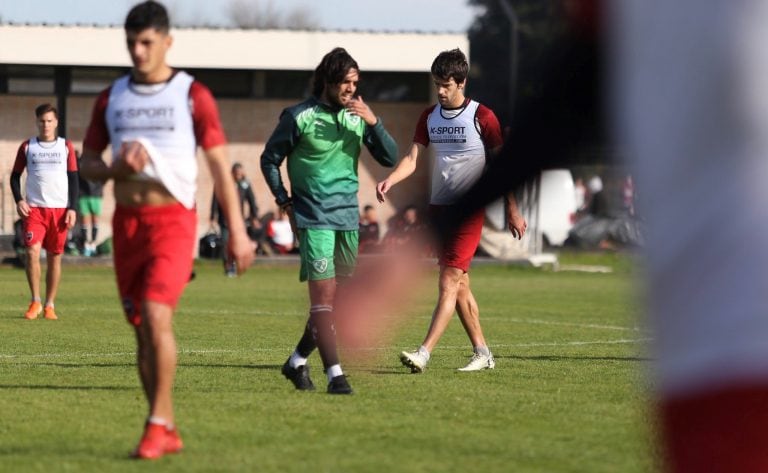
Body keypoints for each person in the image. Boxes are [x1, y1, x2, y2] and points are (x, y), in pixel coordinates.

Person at [79, 0, 254, 460]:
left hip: (174, 222)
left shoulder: (192, 94)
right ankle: (167, 423)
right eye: (131, 43)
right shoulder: (111, 97)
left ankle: (155, 425)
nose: (138, 52)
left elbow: (219, 166)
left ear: (167, 42)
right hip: (127, 225)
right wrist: (115, 169)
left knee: (157, 316)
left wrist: (238, 231)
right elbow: (88, 162)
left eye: (147, 43)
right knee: (141, 332)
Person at [376, 48, 527, 373]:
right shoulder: (429, 116)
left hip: (469, 212)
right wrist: (391, 180)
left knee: (448, 280)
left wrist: (512, 209)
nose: (440, 91)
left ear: (461, 82)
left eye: (446, 85)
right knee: (460, 285)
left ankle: (424, 353)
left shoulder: (482, 117)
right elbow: (413, 158)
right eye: (436, 84)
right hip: (439, 211)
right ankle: (483, 353)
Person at [261, 47, 398, 395]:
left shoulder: (357, 116)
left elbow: (390, 156)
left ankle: (296, 362)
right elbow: (269, 159)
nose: (352, 89)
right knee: (323, 300)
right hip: (314, 218)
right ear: (327, 81)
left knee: (338, 303)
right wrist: (286, 204)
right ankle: (335, 374)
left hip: (347, 220)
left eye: (355, 82)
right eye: (345, 83)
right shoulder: (299, 116)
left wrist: (373, 121)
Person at [10, 103, 78, 321]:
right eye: (42, 121)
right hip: (35, 210)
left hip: (59, 210)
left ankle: (50, 304)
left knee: (54, 258)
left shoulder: (65, 147)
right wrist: (19, 200)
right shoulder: (28, 147)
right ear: (36, 122)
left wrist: (73, 208)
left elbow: (74, 179)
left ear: (56, 122)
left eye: (49, 121)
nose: (46, 125)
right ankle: (35, 301)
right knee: (31, 252)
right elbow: (14, 176)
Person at [210, 162, 261, 274]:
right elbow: (215, 200)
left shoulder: (245, 185)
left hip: (239, 221)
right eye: (237, 174)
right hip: (224, 220)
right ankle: (228, 266)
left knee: (237, 244)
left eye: (240, 174)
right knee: (225, 242)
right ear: (232, 173)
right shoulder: (223, 183)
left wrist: (255, 217)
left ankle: (236, 265)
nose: (239, 176)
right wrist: (213, 216)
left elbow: (252, 201)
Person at [77, 149, 105, 256]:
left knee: (95, 220)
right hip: (84, 195)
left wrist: (99, 188)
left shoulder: (100, 161)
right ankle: (85, 244)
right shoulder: (80, 161)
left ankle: (93, 243)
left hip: (96, 195)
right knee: (85, 220)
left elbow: (104, 176)